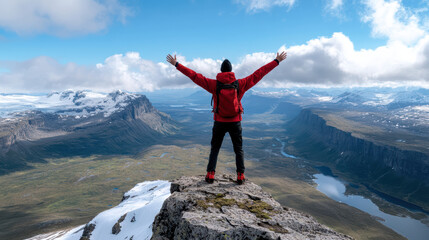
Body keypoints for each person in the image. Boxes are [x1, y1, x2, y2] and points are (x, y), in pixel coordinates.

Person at [166, 51, 287, 184]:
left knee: (215, 148)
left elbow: (194, 76)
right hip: (235, 122)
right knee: (238, 149)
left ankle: (210, 174)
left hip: (219, 122)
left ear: (221, 71)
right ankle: (240, 175)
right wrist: (276, 61)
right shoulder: (240, 84)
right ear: (231, 71)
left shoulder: (214, 84)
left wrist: (177, 64)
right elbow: (259, 74)